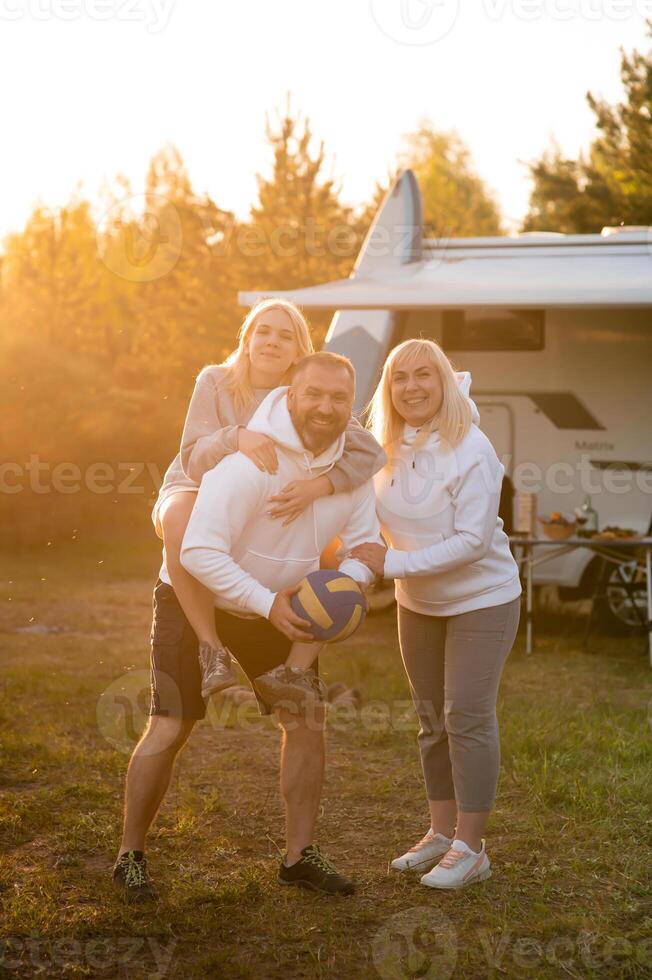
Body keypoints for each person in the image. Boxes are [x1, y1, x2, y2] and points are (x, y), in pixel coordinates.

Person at [113, 351, 385, 900]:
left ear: (350, 406)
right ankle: (130, 855)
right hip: (203, 599)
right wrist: (267, 603)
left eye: (338, 398)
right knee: (171, 724)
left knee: (306, 718)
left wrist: (349, 584)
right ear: (289, 396)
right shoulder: (248, 464)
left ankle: (298, 856)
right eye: (313, 394)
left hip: (282, 603)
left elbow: (365, 542)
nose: (325, 407)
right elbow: (199, 552)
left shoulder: (347, 476)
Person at [151, 297, 384, 701]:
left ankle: (297, 667)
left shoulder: (304, 393)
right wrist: (236, 437)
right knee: (180, 522)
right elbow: (193, 456)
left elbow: (368, 451)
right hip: (194, 482)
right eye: (263, 331)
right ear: (247, 339)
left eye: (286, 335)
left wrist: (321, 486)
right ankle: (210, 646)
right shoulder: (216, 380)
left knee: (327, 546)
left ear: (299, 351)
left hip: (267, 493)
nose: (272, 341)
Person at [351, 338, 521, 891]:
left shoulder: (472, 447)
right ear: (389, 389)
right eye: (401, 378)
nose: (413, 387)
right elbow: (356, 512)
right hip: (417, 601)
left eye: (425, 375)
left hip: (482, 597)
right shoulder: (385, 447)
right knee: (431, 719)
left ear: (444, 382)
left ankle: (473, 849)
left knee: (466, 715)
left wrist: (392, 562)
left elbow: (473, 541)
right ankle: (442, 833)